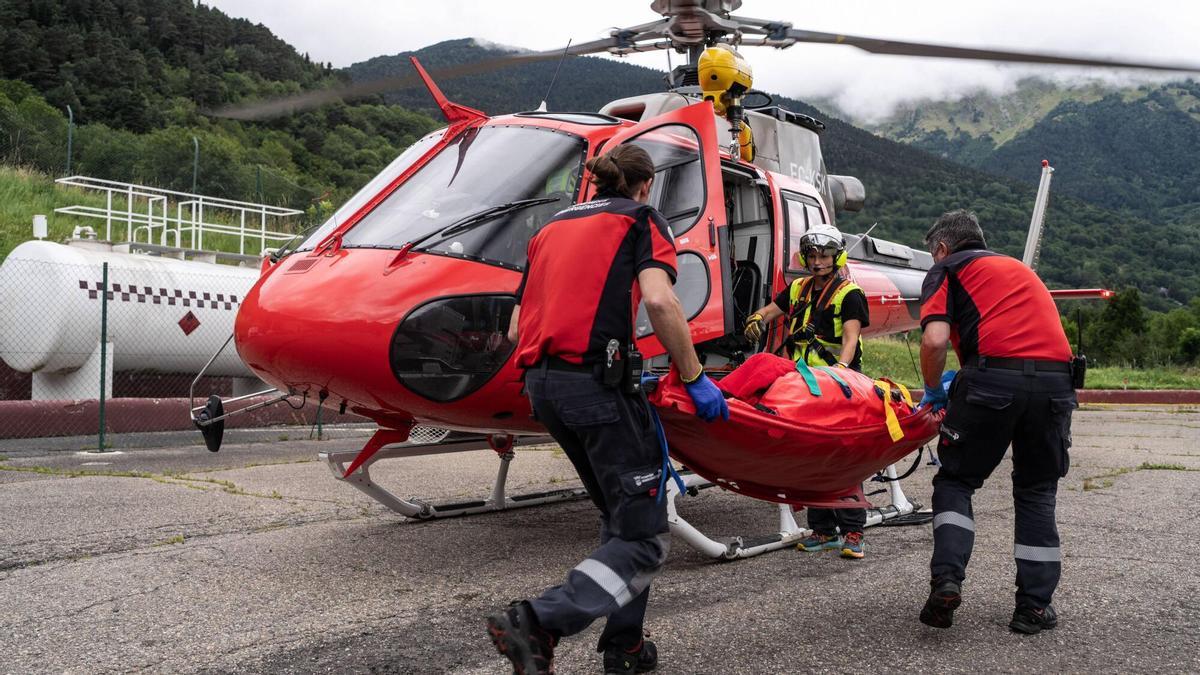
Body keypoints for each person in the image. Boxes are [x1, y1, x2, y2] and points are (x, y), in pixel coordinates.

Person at [488, 144, 729, 675]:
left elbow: (512, 329)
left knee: (624, 516)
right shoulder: (643, 218)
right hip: (597, 386)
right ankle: (537, 621)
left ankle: (625, 648)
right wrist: (693, 376)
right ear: (645, 186)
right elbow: (662, 301)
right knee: (644, 538)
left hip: (544, 388)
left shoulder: (549, 229)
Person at [916, 209, 1076, 635]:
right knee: (1037, 490)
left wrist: (933, 390)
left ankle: (947, 579)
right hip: (1056, 385)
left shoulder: (947, 268)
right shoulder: (1018, 270)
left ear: (943, 248)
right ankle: (1034, 607)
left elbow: (934, 340)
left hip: (992, 381)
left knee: (956, 481)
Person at [743, 223, 870, 559]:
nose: (817, 262)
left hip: (838, 382)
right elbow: (773, 310)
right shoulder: (798, 288)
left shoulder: (850, 294)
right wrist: (757, 317)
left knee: (841, 457)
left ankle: (854, 530)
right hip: (804, 381)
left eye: (824, 255)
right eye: (812, 255)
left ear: (836, 256)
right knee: (810, 453)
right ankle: (824, 530)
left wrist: (841, 373)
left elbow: (850, 340)